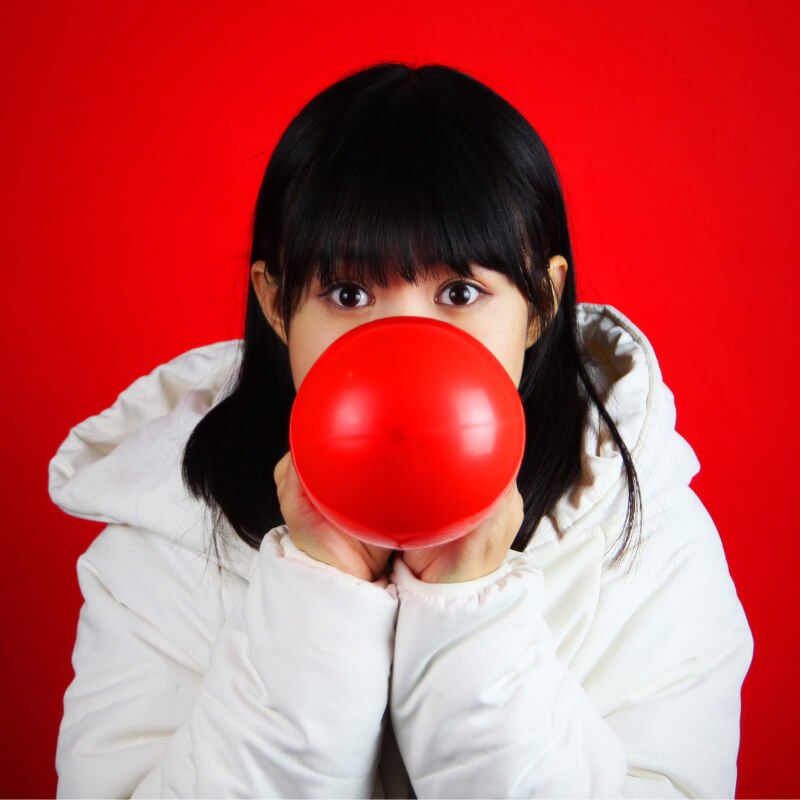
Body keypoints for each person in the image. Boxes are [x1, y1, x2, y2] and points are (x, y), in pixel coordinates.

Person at [49, 62, 753, 798]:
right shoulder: (163, 534)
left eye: (460, 292)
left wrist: (471, 614)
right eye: (349, 293)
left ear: (541, 303)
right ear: (277, 302)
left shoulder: (640, 532)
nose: (405, 343)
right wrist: (314, 596)